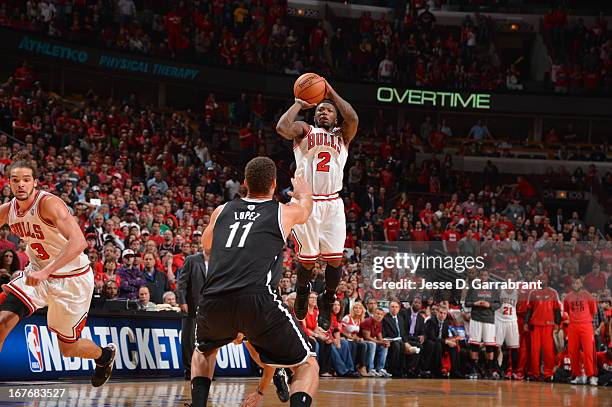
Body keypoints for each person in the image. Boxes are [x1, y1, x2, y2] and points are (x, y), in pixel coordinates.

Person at [190, 157, 318, 407]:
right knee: (306, 364)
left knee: (204, 351)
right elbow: (305, 211)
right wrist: (304, 193)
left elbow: (206, 245)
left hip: (215, 298)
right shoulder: (282, 211)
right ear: (273, 184)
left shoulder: (222, 210)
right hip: (257, 298)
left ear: (245, 183)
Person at [0, 157, 115, 387]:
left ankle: (103, 356)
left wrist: (47, 272)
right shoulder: (7, 211)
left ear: (35, 182)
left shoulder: (48, 204)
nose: (20, 185)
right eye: (15, 180)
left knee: (68, 348)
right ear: (9, 183)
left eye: (26, 180)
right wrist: (42, 273)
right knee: (3, 321)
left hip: (72, 280)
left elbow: (79, 241)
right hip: (37, 274)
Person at [276, 79, 358, 331]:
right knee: (308, 261)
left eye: (329, 110)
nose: (324, 112)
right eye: (320, 109)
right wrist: (298, 103)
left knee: (335, 261)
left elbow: (352, 118)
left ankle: (328, 298)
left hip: (332, 203)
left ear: (335, 117)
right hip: (307, 201)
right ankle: (302, 291)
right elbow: (282, 127)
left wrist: (331, 92)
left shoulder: (343, 136)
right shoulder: (304, 130)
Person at [176, 252, 208, 380]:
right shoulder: (192, 260)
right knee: (189, 339)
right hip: (192, 305)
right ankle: (190, 370)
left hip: (210, 307)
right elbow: (182, 282)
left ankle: (206, 371)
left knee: (208, 341)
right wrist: (182, 300)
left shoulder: (218, 259)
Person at [465, 270, 501, 379]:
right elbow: (467, 303)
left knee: (489, 346)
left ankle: (489, 371)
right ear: (479, 276)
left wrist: (489, 304)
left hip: (489, 319)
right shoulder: (473, 287)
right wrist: (475, 303)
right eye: (481, 275)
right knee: (474, 345)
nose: (483, 277)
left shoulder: (493, 289)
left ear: (488, 276)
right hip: (476, 318)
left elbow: (498, 304)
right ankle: (474, 370)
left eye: (485, 275)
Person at [564, 278, 598, 385]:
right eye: (573, 283)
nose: (575, 284)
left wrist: (585, 320)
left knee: (588, 351)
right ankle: (577, 375)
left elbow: (593, 311)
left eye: (577, 282)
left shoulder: (587, 295)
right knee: (573, 352)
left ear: (581, 284)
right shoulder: (567, 297)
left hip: (586, 325)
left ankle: (591, 376)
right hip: (573, 326)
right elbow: (567, 311)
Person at [495, 283, 520, 380]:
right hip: (499, 320)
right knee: (496, 346)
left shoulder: (517, 292)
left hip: (512, 321)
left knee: (514, 348)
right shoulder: (499, 290)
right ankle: (495, 369)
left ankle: (514, 371)